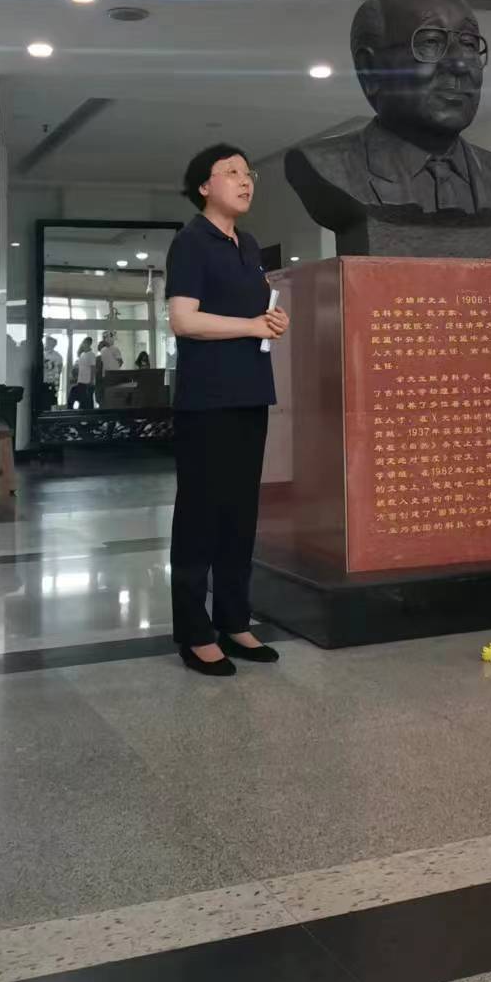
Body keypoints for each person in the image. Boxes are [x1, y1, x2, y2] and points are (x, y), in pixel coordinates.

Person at [284, 0, 491, 257]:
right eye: (431, 42)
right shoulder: (328, 166)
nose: (460, 63)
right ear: (371, 69)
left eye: (469, 44)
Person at [166, 144, 288, 677]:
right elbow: (184, 320)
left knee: (241, 514)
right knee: (201, 516)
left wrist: (272, 321)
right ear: (204, 186)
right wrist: (251, 326)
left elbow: (255, 312)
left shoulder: (249, 243)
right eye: (231, 172)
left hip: (250, 392)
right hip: (207, 400)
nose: (245, 180)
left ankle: (234, 620)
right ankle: (195, 633)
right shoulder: (191, 242)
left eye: (248, 172)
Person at [69, 336, 96, 410]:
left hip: (87, 382)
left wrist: (91, 381)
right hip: (81, 381)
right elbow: (80, 368)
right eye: (84, 342)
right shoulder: (82, 354)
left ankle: (89, 416)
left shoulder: (91, 355)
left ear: (89, 344)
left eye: (86, 343)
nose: (84, 344)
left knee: (87, 402)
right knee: (81, 400)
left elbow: (93, 368)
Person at [42, 334, 64, 407]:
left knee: (52, 402)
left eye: (48, 342)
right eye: (46, 342)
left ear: (53, 345)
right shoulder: (40, 354)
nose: (46, 344)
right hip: (40, 382)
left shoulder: (57, 356)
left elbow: (59, 370)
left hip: (51, 382)